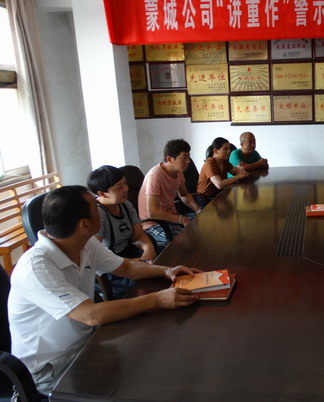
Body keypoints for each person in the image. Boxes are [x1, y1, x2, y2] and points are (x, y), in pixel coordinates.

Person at [7, 186, 200, 394]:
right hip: (49, 369)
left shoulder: (84, 243)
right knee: (145, 382)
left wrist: (166, 271)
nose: (100, 209)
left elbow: (126, 268)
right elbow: (91, 315)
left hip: (86, 343)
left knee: (157, 357)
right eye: (95, 206)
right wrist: (157, 300)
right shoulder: (37, 268)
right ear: (84, 224)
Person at [87, 165, 157, 298]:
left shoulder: (126, 205)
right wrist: (128, 263)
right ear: (102, 193)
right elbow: (95, 253)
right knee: (144, 283)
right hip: (110, 264)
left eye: (125, 183)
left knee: (161, 265)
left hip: (129, 253)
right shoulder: (98, 214)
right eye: (119, 187)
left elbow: (139, 235)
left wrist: (148, 249)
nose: (126, 189)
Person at [138, 139, 201, 250]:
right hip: (153, 224)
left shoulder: (179, 173)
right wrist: (181, 219)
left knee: (199, 232)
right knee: (184, 242)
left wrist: (198, 210)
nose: (188, 161)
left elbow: (184, 195)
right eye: (184, 157)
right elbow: (152, 212)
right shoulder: (155, 176)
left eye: (188, 157)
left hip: (171, 219)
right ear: (170, 159)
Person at [197, 137, 248, 206]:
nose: (229, 151)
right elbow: (219, 184)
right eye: (225, 149)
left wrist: (242, 172)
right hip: (205, 199)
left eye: (229, 149)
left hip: (219, 194)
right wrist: (238, 177)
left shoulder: (224, 161)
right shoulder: (209, 163)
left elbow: (236, 172)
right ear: (215, 151)